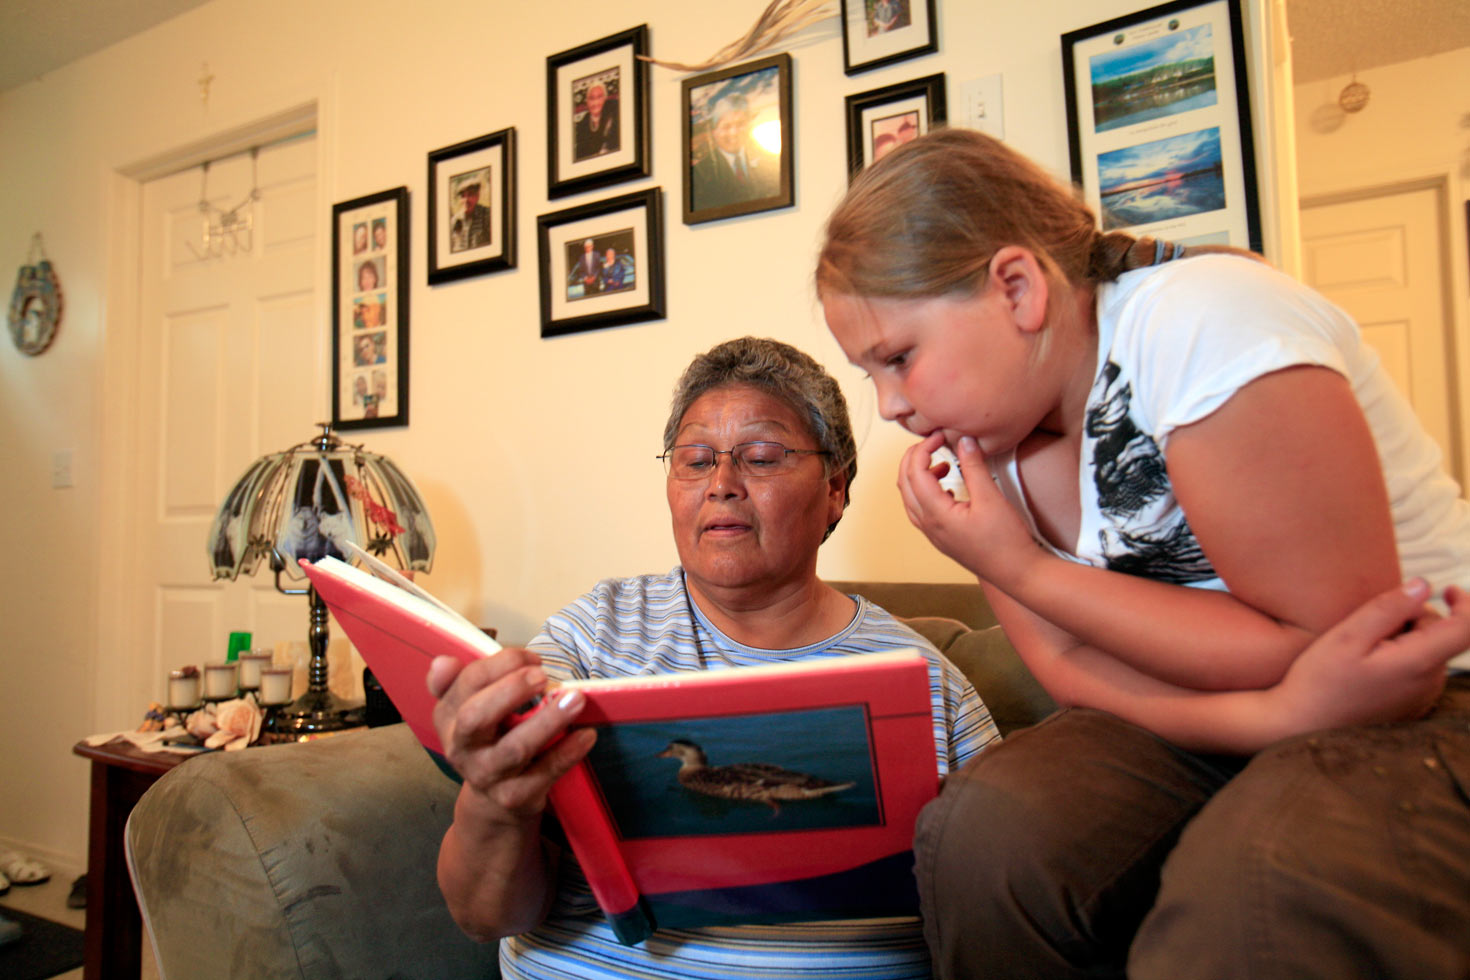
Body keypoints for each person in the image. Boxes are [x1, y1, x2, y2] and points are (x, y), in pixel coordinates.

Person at [816, 127, 1470, 979]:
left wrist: (1023, 566)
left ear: (1018, 288)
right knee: (989, 833)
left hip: (1419, 688)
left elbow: (1327, 642)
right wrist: (1273, 718)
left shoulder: (1202, 319)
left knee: (1264, 882)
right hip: (1243, 701)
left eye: (898, 358)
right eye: (871, 374)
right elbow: (1066, 670)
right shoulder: (984, 439)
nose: (892, 405)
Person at [429, 336, 1000, 979]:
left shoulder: (925, 681)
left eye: (760, 457)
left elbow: (1003, 913)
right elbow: (483, 916)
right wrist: (495, 797)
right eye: (695, 460)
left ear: (835, 488)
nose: (722, 485)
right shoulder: (591, 637)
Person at [692, 93, 779, 211]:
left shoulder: (771, 161)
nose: (734, 132)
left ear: (749, 125)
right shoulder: (699, 174)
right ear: (714, 132)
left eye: (740, 124)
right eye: (726, 126)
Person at [572, 82, 619, 161]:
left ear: (605, 99)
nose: (595, 102)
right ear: (587, 102)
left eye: (599, 97)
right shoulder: (582, 125)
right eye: (591, 98)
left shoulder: (614, 113)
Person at [456, 181, 491, 251]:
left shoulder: (487, 215)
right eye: (463, 196)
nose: (466, 200)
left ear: (477, 196)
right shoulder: (455, 220)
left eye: (470, 195)